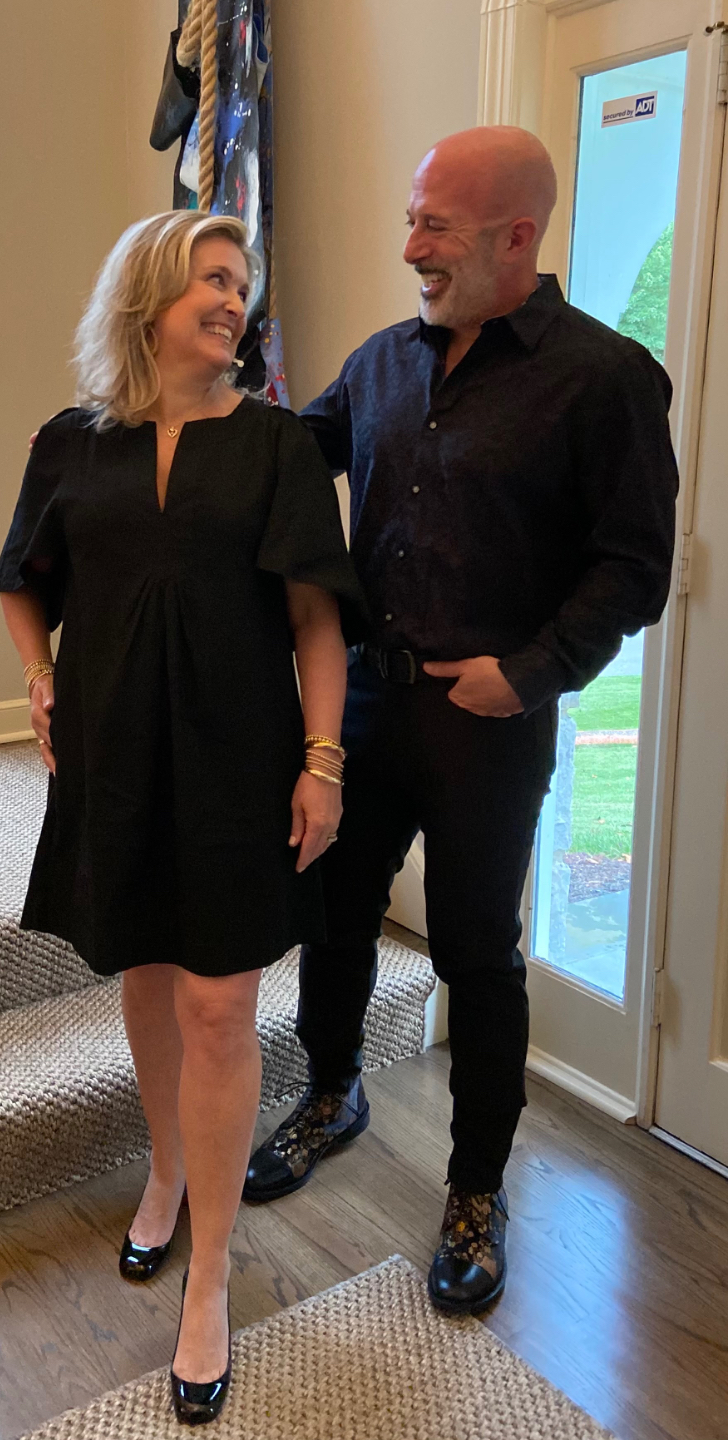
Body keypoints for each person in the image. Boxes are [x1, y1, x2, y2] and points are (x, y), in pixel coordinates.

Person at [244, 126, 679, 1316]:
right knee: (333, 911)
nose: (409, 249)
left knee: (475, 953)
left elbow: (633, 565)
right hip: (363, 699)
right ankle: (331, 1091)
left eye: (432, 226)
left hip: (486, 721)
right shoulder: (382, 360)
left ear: (515, 236)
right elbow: (290, 452)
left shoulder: (604, 379)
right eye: (410, 220)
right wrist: (152, 426)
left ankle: (476, 1191)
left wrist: (530, 672)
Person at [0, 210, 365, 1426]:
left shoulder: (275, 446)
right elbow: (23, 582)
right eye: (211, 277)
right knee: (148, 973)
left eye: (240, 283)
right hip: (113, 754)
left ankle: (210, 1274)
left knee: (219, 1002)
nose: (232, 300)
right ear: (146, 296)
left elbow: (314, 619)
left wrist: (322, 762)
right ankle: (164, 1172)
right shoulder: (71, 443)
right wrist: (39, 679)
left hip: (237, 756)